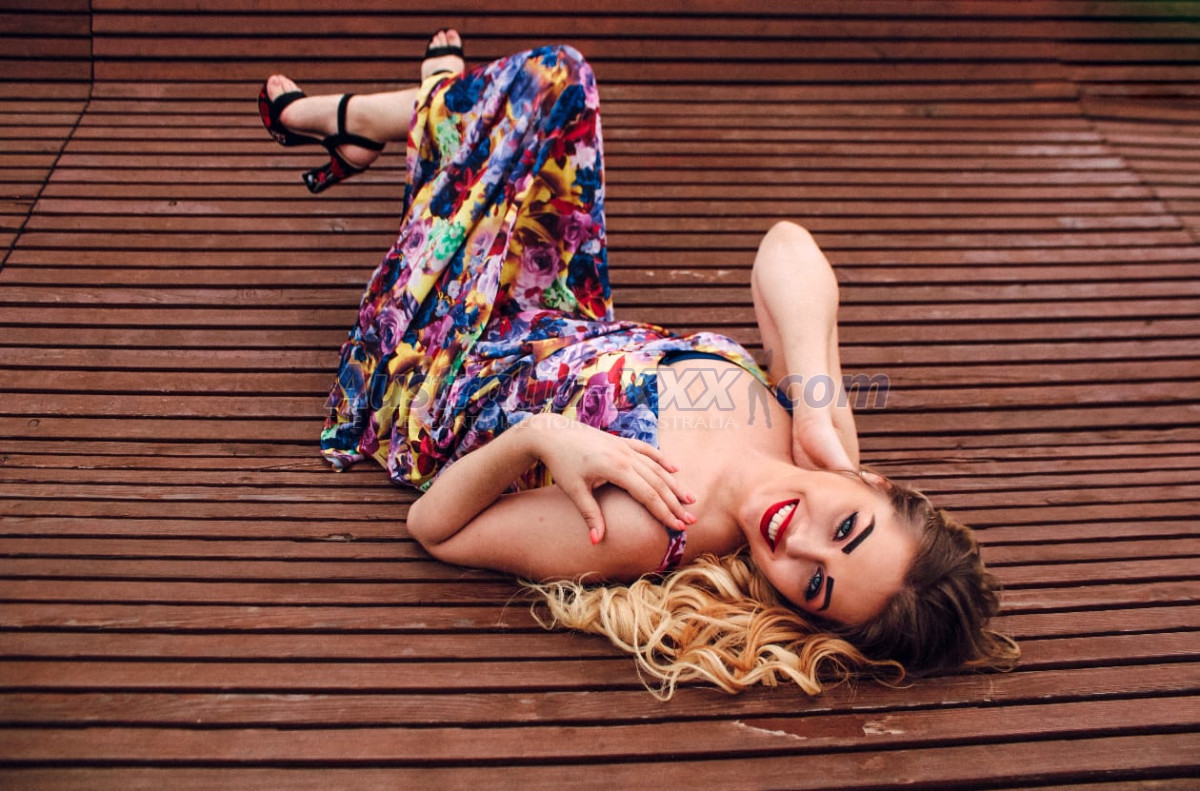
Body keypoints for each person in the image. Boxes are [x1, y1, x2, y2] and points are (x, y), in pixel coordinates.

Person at [259, 29, 1019, 698]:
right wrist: (817, 403)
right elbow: (786, 247)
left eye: (816, 585)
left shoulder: (653, 525)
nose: (801, 542)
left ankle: (359, 118)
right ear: (874, 484)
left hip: (434, 355)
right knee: (563, 86)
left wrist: (543, 437)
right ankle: (433, 114)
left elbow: (433, 527)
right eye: (848, 526)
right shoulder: (811, 434)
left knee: (543, 81)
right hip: (554, 313)